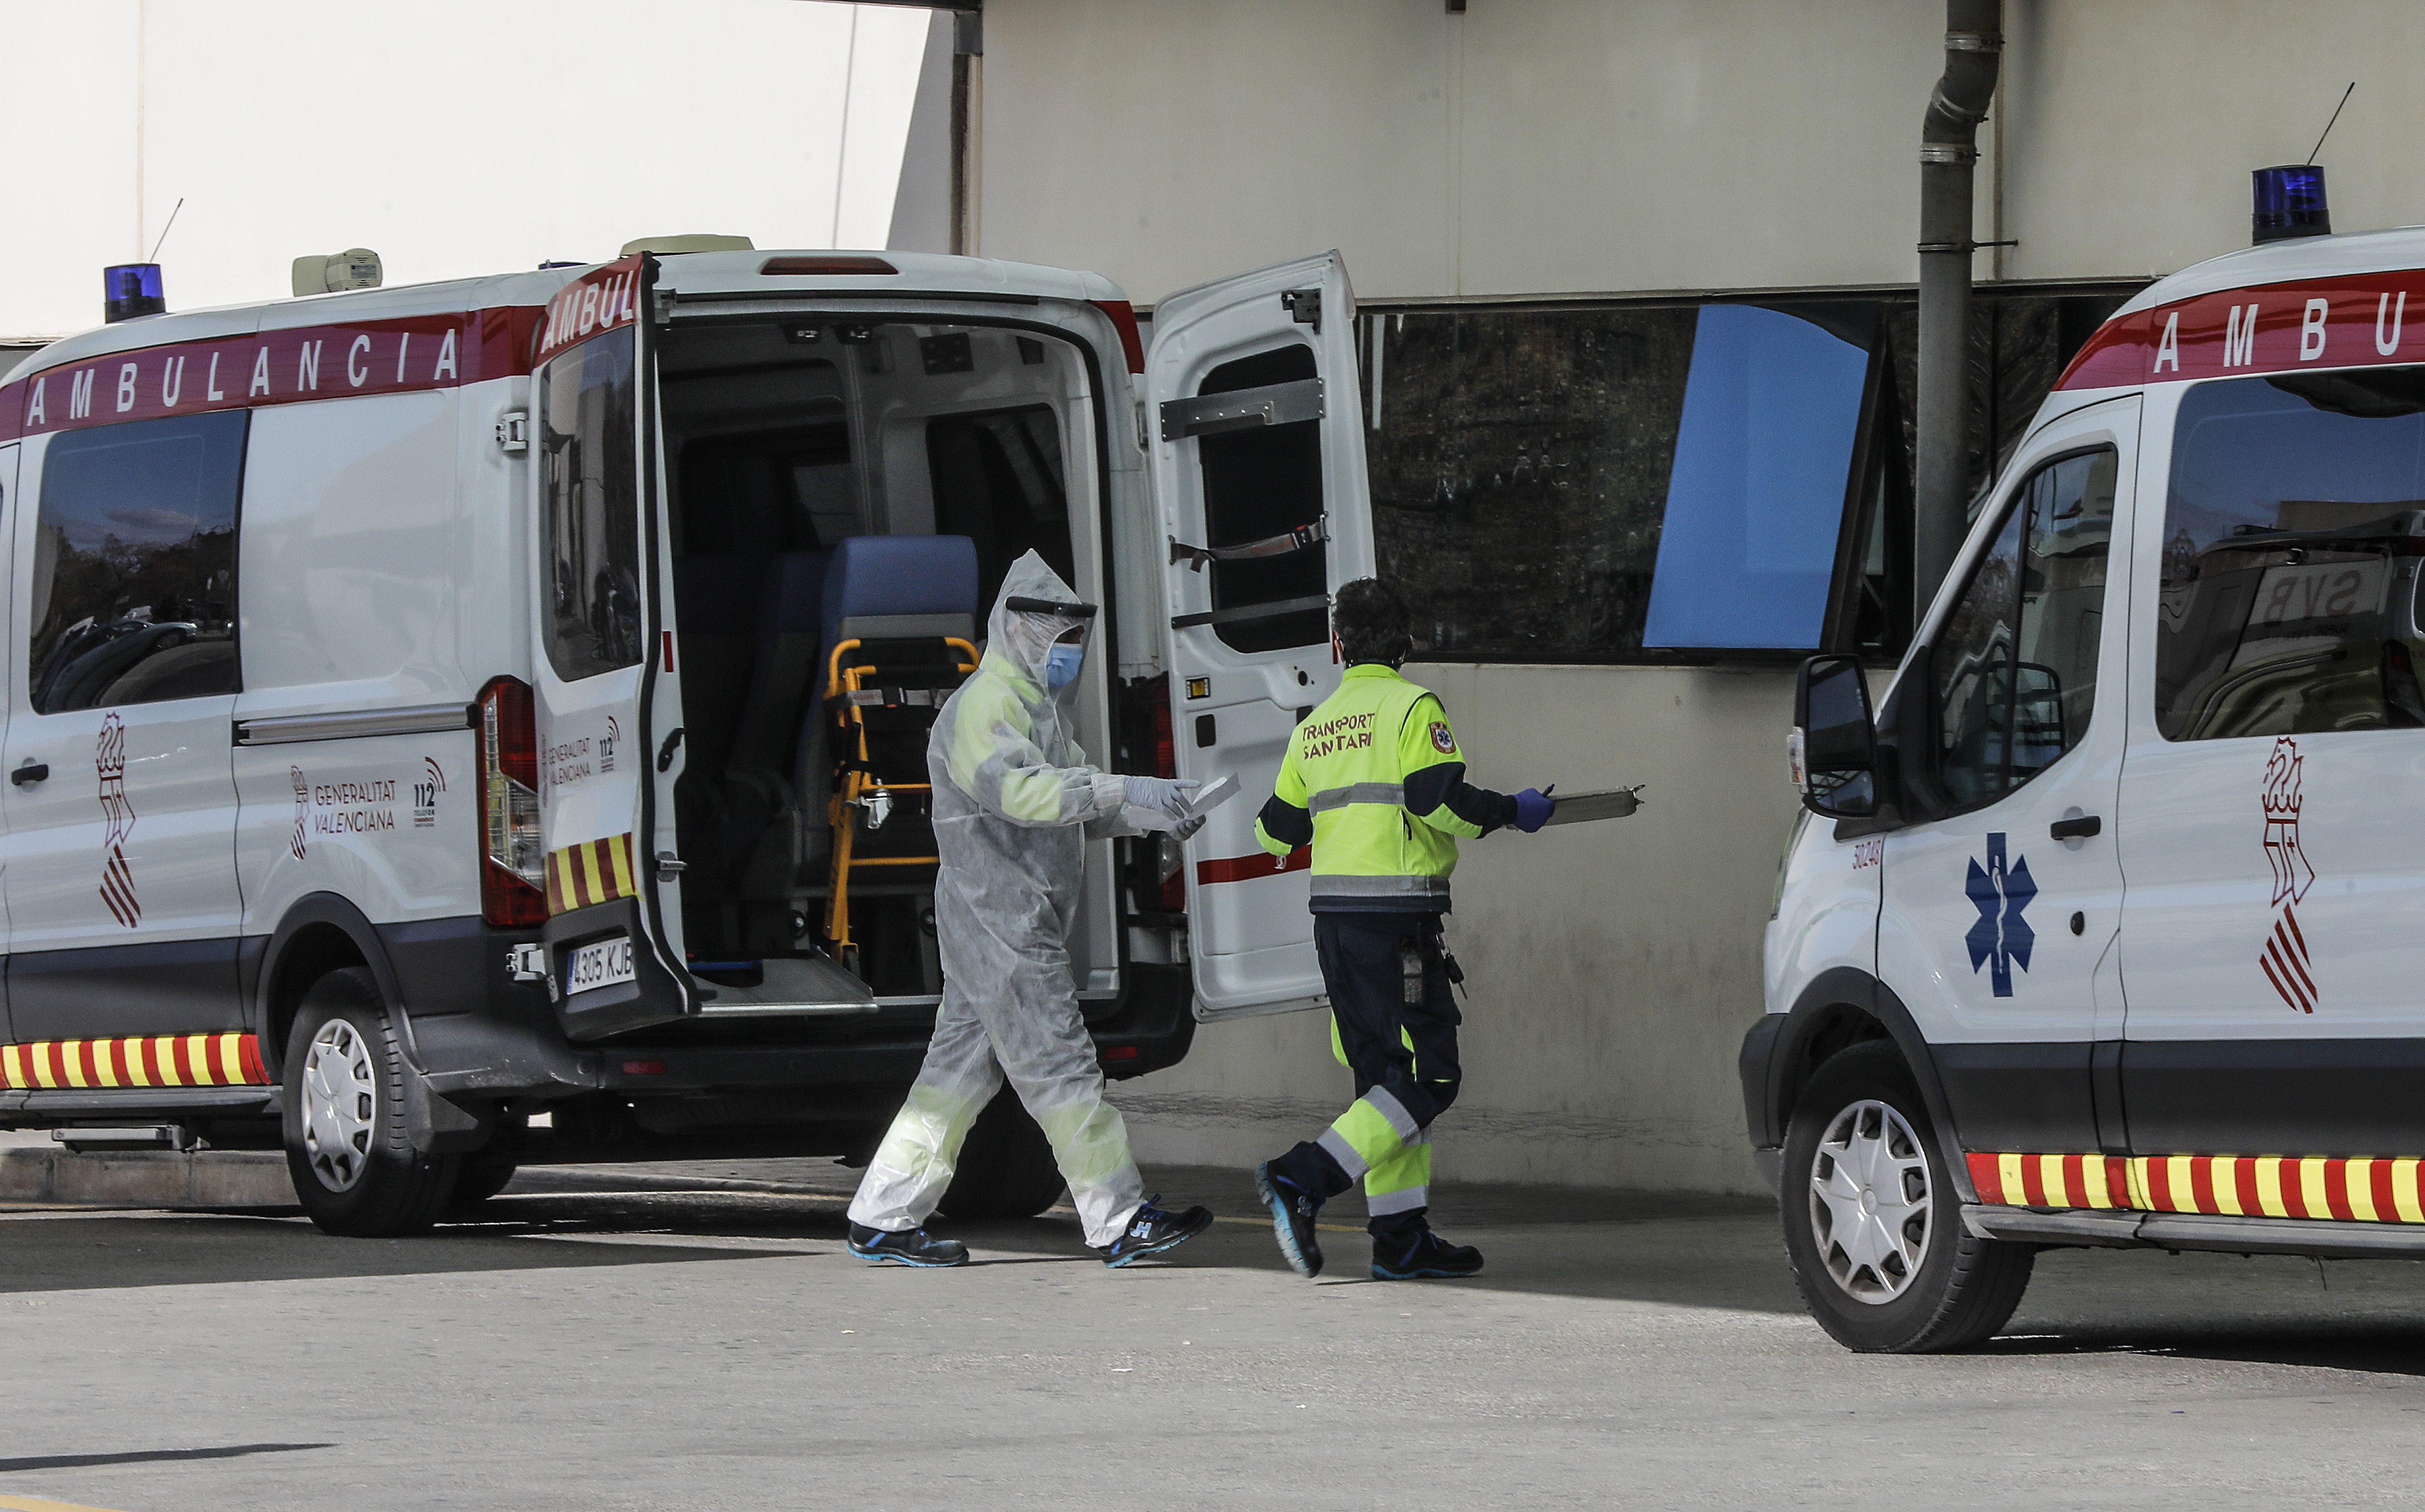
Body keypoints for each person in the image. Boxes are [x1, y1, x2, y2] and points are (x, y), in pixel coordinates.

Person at [846, 551, 1215, 1268]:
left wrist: (1153, 810)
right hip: (1003, 919)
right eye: (1060, 638)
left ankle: (882, 1216)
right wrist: (1123, 790)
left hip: (1005, 917)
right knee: (1063, 1066)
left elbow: (1071, 805)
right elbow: (1027, 796)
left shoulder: (1035, 710)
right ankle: (1118, 1216)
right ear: (1019, 633)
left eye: (1075, 638)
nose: (1069, 652)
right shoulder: (984, 708)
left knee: (954, 1076)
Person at [1250, 578, 1554, 1282]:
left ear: (1338, 644)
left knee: (1382, 1083)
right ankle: (1302, 1177)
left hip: (1334, 928)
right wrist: (1513, 809)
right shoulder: (1412, 706)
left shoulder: (1315, 724)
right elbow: (1437, 799)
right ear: (1405, 642)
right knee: (1428, 1074)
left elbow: (1274, 830)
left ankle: (1399, 1236)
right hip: (1396, 926)